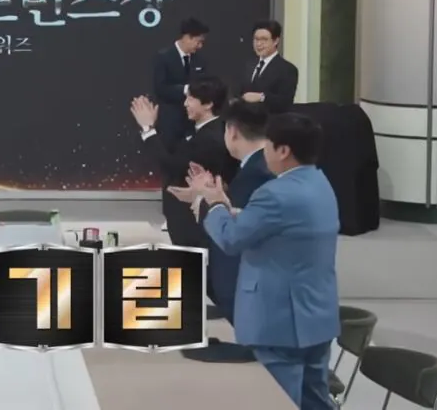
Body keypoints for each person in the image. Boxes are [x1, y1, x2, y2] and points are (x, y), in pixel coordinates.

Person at [191, 113, 340, 409]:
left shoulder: (275, 193)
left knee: (277, 401)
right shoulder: (320, 183)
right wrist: (229, 207)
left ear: (283, 150)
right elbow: (278, 226)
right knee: (315, 401)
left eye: (268, 145)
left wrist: (215, 204)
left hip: (278, 323)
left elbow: (231, 240)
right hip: (317, 318)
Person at [169, 100, 274, 363]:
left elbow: (236, 230)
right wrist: (205, 194)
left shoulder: (257, 173)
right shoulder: (258, 166)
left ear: (233, 131)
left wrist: (204, 200)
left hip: (250, 297)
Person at [130, 77, 236, 254]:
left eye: (191, 98)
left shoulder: (210, 138)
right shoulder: (202, 130)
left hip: (192, 226)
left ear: (208, 104)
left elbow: (172, 165)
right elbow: (172, 155)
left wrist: (148, 129)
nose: (185, 103)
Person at [152, 18, 211, 150]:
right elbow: (160, 88)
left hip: (192, 122)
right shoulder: (163, 57)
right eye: (198, 42)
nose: (200, 46)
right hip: (170, 122)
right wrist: (186, 89)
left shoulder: (200, 60)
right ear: (188, 37)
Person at [239, 21, 299, 113]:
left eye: (264, 39)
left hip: (270, 119)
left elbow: (285, 102)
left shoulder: (287, 69)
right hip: (245, 118)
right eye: (256, 39)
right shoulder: (249, 64)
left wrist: (262, 97)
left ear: (276, 41)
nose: (259, 44)